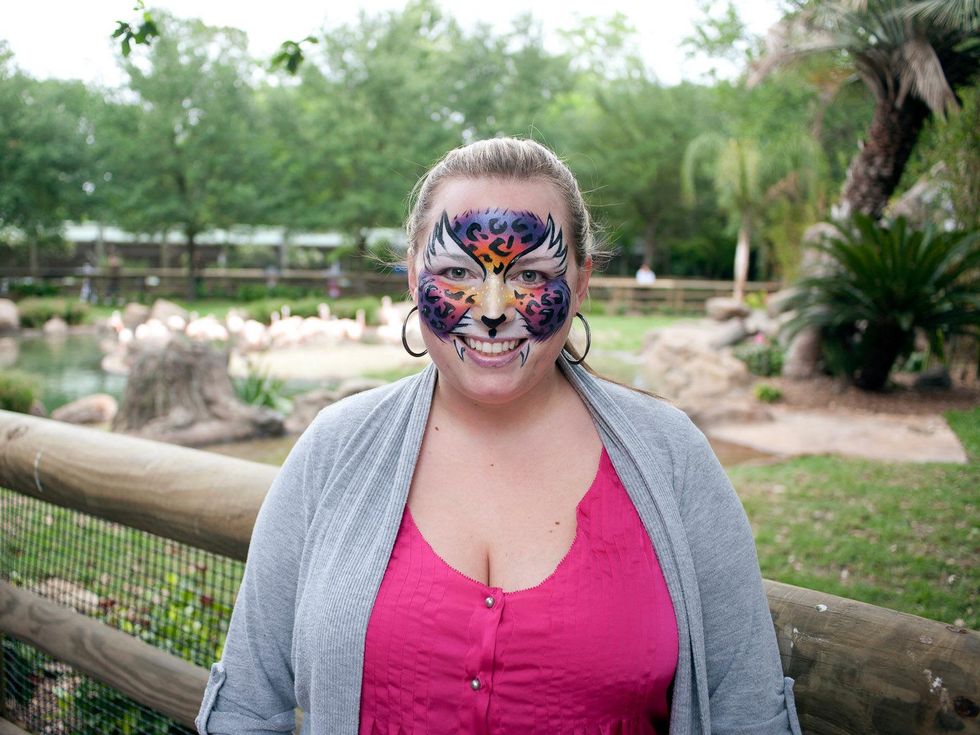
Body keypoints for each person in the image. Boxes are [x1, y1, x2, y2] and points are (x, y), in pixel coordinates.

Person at [196, 138, 801, 735]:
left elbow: (748, 711)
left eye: (532, 275)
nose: (491, 309)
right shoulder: (334, 449)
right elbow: (247, 705)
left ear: (582, 283)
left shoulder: (671, 456)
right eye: (456, 271)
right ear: (412, 278)